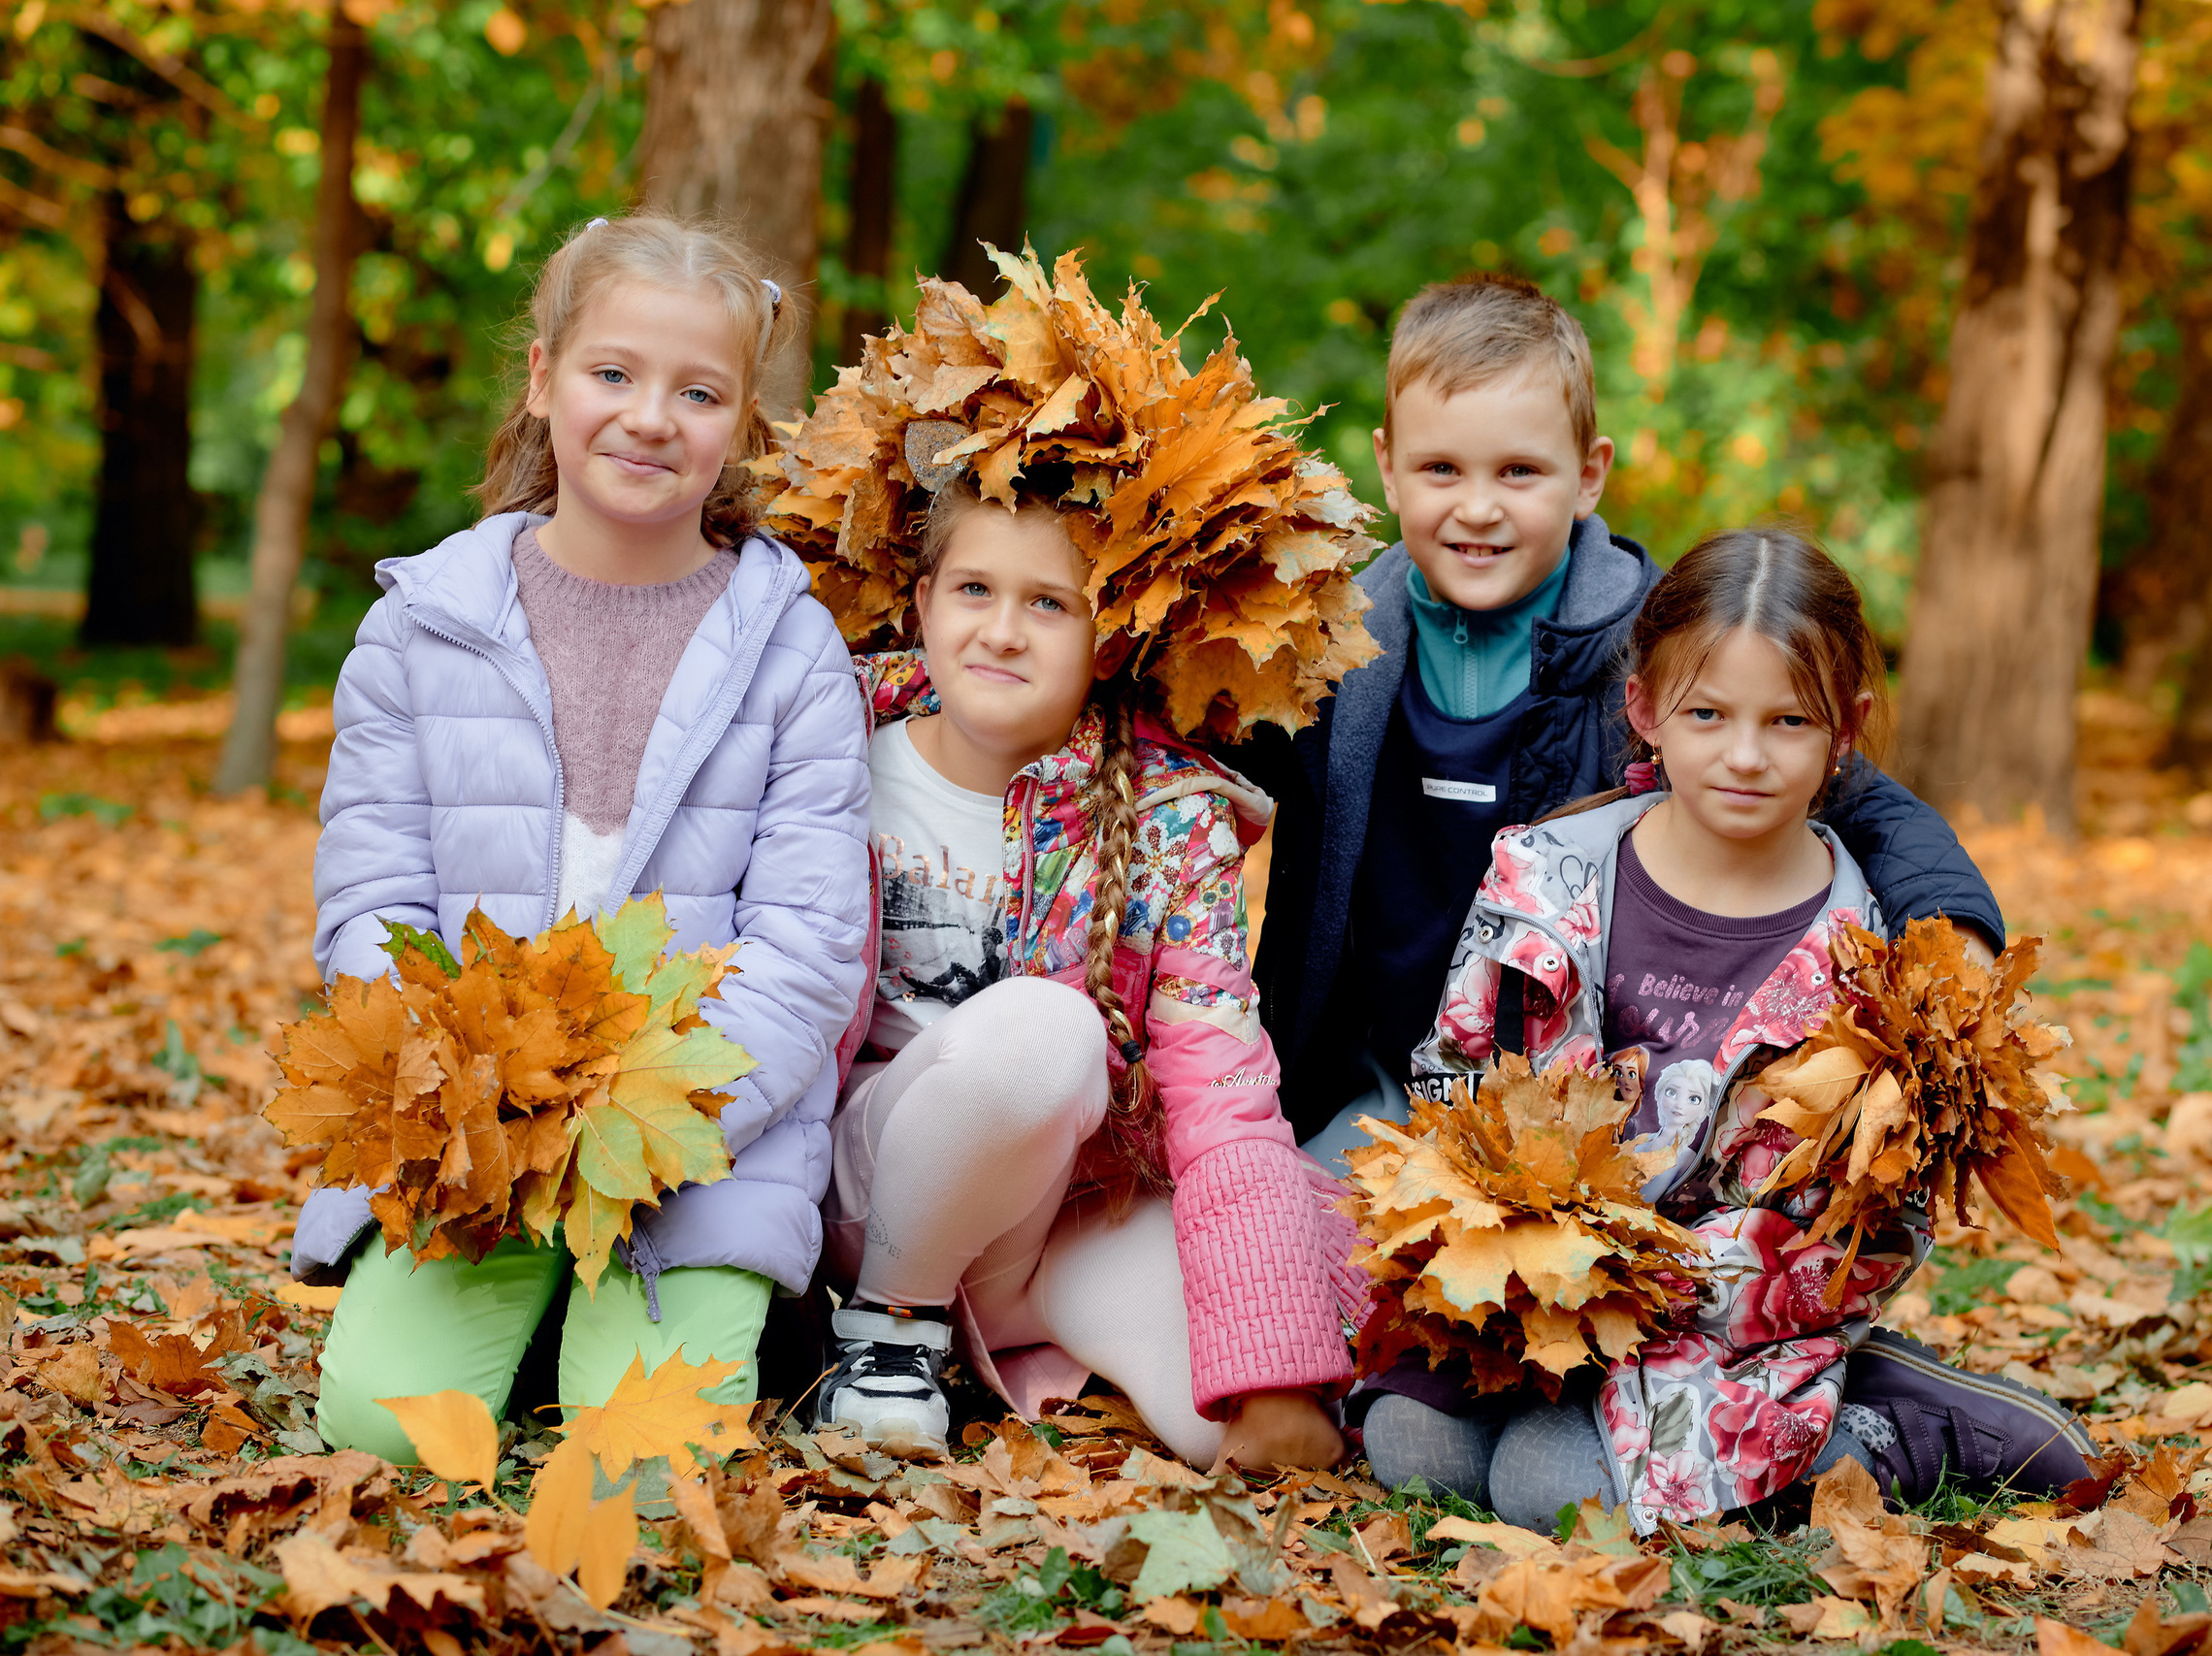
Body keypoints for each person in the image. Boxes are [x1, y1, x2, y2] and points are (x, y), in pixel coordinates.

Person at [767, 253, 1378, 1471]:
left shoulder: (1162, 811)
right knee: (1044, 1028)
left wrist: (1269, 1347)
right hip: (854, 1192)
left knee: (1262, 1439)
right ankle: (887, 1336)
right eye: (974, 591)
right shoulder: (822, 742)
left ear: (1111, 637)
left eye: (1050, 604)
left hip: (1058, 1214)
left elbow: (1217, 1079)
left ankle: (984, 1334)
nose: (1001, 629)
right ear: (920, 600)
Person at [1358, 527, 2093, 1532]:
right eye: (1706, 714)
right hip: (1538, 1295)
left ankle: (1899, 1430)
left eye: (1788, 721)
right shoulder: (1543, 877)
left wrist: (1645, 1283)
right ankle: (1800, 1406)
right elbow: (1455, 1078)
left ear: (1846, 732)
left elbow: (1873, 1225)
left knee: (1544, 1494)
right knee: (1412, 1450)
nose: (1744, 756)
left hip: (1731, 1319)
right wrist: (1527, 1256)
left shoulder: (1872, 963)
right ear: (1645, 710)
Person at [288, 213, 873, 1462]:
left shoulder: (793, 647)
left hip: (689, 1151)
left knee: (646, 1463)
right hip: (469, 1143)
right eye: (613, 374)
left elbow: (809, 946)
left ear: (739, 423)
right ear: (546, 379)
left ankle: (640, 1329)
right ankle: (523, 1313)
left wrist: (649, 1121)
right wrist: (475, 1103)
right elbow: (369, 901)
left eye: (698, 391)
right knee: (382, 1436)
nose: (650, 417)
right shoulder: (419, 628)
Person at [1236, 274, 2005, 1176]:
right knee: (1296, 1261)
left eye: (1520, 471)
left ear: (1589, 474)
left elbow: (1851, 788)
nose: (1478, 507)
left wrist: (1952, 925)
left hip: (1583, 1106)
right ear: (1389, 465)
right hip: (1374, 1080)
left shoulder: (1654, 647)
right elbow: (1192, 757)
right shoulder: (1320, 642)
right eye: (1442, 468)